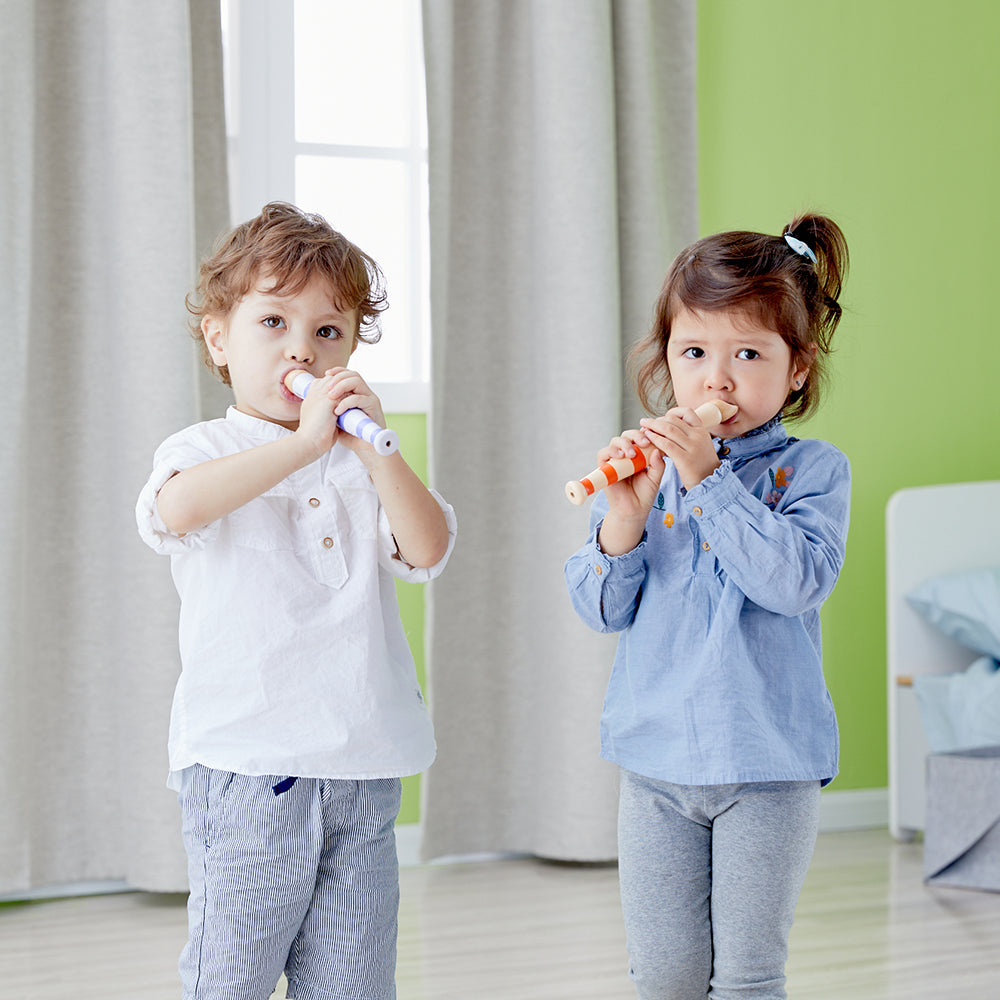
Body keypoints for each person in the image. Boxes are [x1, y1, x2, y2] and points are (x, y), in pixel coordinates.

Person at [136, 201, 456, 1000]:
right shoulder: (204, 448)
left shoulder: (362, 461)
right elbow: (177, 511)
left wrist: (375, 455)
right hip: (248, 769)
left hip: (363, 770)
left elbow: (427, 548)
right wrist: (303, 444)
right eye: (273, 322)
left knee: (354, 983)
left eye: (328, 331)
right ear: (219, 338)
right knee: (230, 979)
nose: (301, 349)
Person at [564, 214, 851, 1000]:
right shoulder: (649, 473)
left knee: (748, 976)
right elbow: (600, 610)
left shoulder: (814, 472)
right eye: (694, 353)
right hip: (655, 767)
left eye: (748, 355)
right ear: (668, 359)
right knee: (665, 975)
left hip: (768, 767)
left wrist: (710, 481)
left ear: (798, 369)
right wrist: (623, 518)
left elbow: (794, 582)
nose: (716, 381)